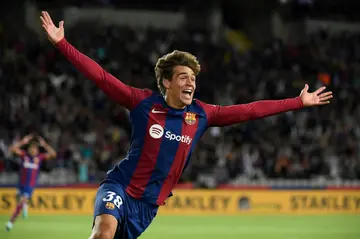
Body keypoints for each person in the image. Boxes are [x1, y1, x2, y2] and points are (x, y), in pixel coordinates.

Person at [40, 11, 333, 239]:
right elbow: (101, 78)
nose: (190, 82)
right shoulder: (143, 103)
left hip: (148, 206)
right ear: (167, 82)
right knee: (103, 232)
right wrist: (62, 44)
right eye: (183, 76)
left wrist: (298, 102)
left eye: (193, 78)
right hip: (120, 186)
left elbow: (250, 110)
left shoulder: (203, 114)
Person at [5, 134, 57, 231]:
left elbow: (53, 154)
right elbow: (12, 149)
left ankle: (10, 222)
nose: (33, 150)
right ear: (28, 149)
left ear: (37, 150)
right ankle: (25, 206)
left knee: (21, 201)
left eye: (35, 149)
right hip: (21, 184)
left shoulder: (40, 158)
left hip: (30, 186)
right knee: (19, 199)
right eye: (31, 148)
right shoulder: (24, 155)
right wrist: (22, 142)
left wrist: (45, 145)